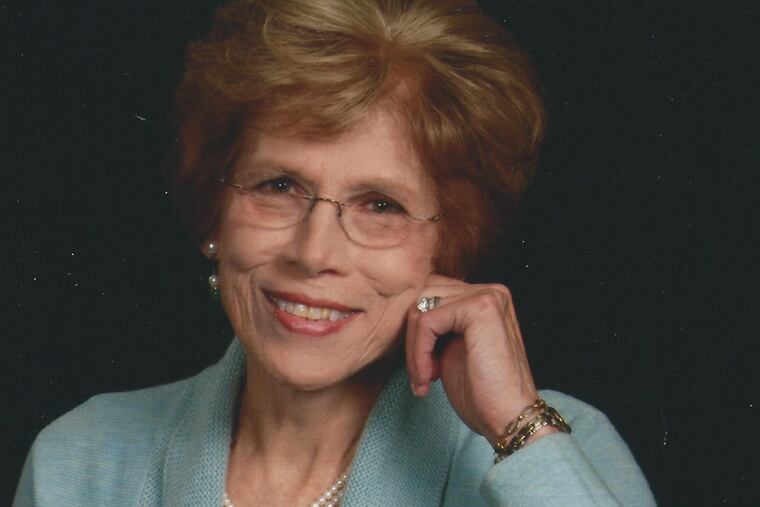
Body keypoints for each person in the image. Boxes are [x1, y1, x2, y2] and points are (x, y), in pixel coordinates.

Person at [14, 0, 655, 505]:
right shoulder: (82, 460)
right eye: (278, 186)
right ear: (215, 214)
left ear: (448, 244)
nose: (314, 252)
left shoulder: (550, 447)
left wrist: (518, 427)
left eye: (380, 205)